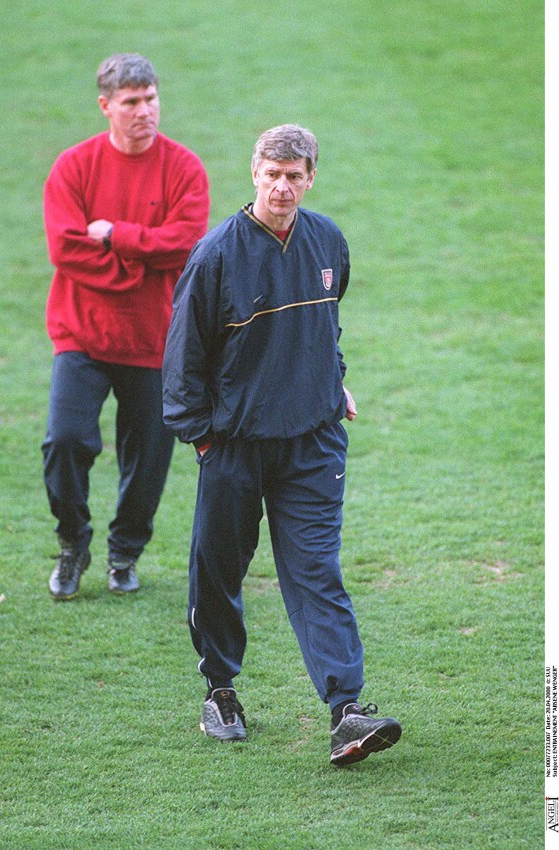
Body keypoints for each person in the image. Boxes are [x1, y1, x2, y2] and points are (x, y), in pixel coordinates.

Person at [161, 124, 401, 766]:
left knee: (317, 573)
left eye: (295, 175)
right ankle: (220, 690)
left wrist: (335, 380)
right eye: (273, 173)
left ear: (311, 177)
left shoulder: (328, 241)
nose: (283, 186)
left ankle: (346, 710)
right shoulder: (215, 256)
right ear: (254, 173)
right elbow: (182, 359)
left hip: (314, 444)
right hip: (234, 447)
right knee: (219, 571)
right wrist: (204, 441)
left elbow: (327, 323)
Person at [42, 53, 210, 600]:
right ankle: (73, 544)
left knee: (150, 459)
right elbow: (65, 249)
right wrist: (141, 261)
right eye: (132, 102)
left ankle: (124, 554)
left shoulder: (184, 168)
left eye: (151, 98)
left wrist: (114, 235)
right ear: (106, 106)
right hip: (81, 334)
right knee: (65, 440)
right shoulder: (73, 166)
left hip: (154, 340)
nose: (145, 111)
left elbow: (185, 245)